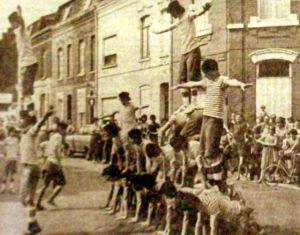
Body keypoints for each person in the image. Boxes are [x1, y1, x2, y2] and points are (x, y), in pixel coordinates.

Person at [176, 59, 252, 191]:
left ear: (214, 71)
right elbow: (194, 83)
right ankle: (211, 180)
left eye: (207, 74)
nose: (205, 77)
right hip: (206, 118)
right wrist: (181, 86)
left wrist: (241, 85)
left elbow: (231, 81)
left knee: (211, 153)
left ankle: (220, 174)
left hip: (215, 119)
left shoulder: (221, 80)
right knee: (203, 152)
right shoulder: (208, 81)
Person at [153, 0, 211, 107]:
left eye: (172, 13)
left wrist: (204, 8)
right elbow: (168, 28)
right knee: (181, 77)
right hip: (183, 52)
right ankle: (185, 104)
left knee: (193, 76)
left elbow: (196, 13)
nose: (172, 16)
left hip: (193, 49)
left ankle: (193, 102)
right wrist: (157, 31)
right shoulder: (178, 21)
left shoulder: (187, 16)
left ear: (176, 10)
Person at [8, 5, 38, 106]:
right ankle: (26, 103)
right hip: (26, 64)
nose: (12, 26)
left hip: (29, 63)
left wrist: (19, 13)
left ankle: (29, 105)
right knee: (23, 88)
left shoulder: (23, 31)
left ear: (16, 22)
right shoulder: (17, 32)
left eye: (13, 23)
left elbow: (22, 23)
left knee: (26, 90)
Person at [36, 122, 66, 210]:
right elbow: (56, 148)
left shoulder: (52, 136)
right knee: (61, 183)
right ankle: (50, 199)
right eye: (64, 130)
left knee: (45, 185)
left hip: (48, 161)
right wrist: (59, 161)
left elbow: (45, 145)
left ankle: (38, 203)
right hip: (55, 162)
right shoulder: (59, 136)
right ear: (61, 128)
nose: (64, 132)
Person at [1, 127, 20, 194]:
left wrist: (17, 154)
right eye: (12, 132)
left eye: (14, 132)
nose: (13, 133)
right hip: (8, 158)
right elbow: (3, 148)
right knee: (5, 173)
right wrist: (4, 153)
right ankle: (3, 188)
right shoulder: (6, 140)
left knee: (12, 174)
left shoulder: (16, 139)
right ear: (9, 132)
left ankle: (11, 188)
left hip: (14, 158)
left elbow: (18, 149)